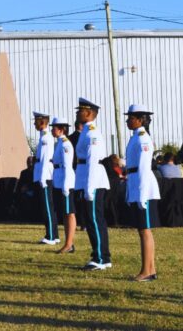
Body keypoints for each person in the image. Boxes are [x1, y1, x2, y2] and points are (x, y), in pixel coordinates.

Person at [123, 104, 161, 282]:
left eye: (130, 118)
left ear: (140, 120)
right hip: (136, 184)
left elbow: (145, 168)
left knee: (145, 230)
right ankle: (150, 269)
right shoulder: (135, 137)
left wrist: (142, 195)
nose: (127, 120)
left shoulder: (143, 138)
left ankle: (146, 270)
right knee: (142, 230)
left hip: (143, 186)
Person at [74, 97, 111, 271]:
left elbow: (93, 160)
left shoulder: (92, 133)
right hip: (86, 178)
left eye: (80, 110)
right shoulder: (86, 132)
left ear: (89, 113)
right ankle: (100, 255)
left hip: (93, 179)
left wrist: (89, 187)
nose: (77, 113)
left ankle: (101, 257)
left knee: (95, 219)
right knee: (91, 219)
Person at [32, 111, 59, 245]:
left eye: (36, 121)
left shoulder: (45, 138)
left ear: (42, 122)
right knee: (48, 205)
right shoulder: (43, 137)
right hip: (43, 173)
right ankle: (54, 234)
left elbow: (45, 159)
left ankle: (51, 236)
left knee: (47, 206)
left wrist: (42, 178)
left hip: (45, 174)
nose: (34, 123)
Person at [50, 117, 76, 254]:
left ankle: (69, 243)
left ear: (61, 129)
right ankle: (68, 242)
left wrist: (66, 185)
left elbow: (67, 165)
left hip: (65, 181)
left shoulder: (65, 144)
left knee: (69, 213)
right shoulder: (59, 143)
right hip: (59, 179)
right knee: (64, 213)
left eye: (54, 127)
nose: (52, 130)